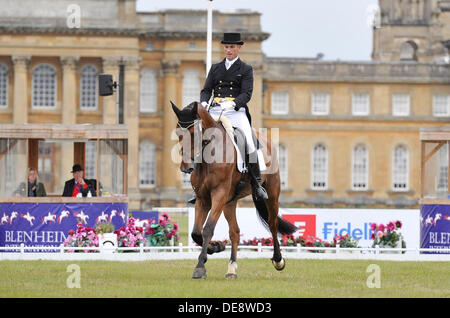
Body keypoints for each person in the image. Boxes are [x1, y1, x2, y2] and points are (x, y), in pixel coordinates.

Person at [188, 32, 268, 204]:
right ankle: (198, 186)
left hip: (235, 111)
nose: (229, 50)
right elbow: (206, 89)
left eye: (232, 47)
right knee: (198, 136)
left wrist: (233, 104)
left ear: (238, 48)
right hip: (215, 109)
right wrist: (204, 102)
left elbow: (247, 93)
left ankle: (256, 184)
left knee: (248, 139)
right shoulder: (216, 68)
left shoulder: (245, 69)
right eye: (226, 47)